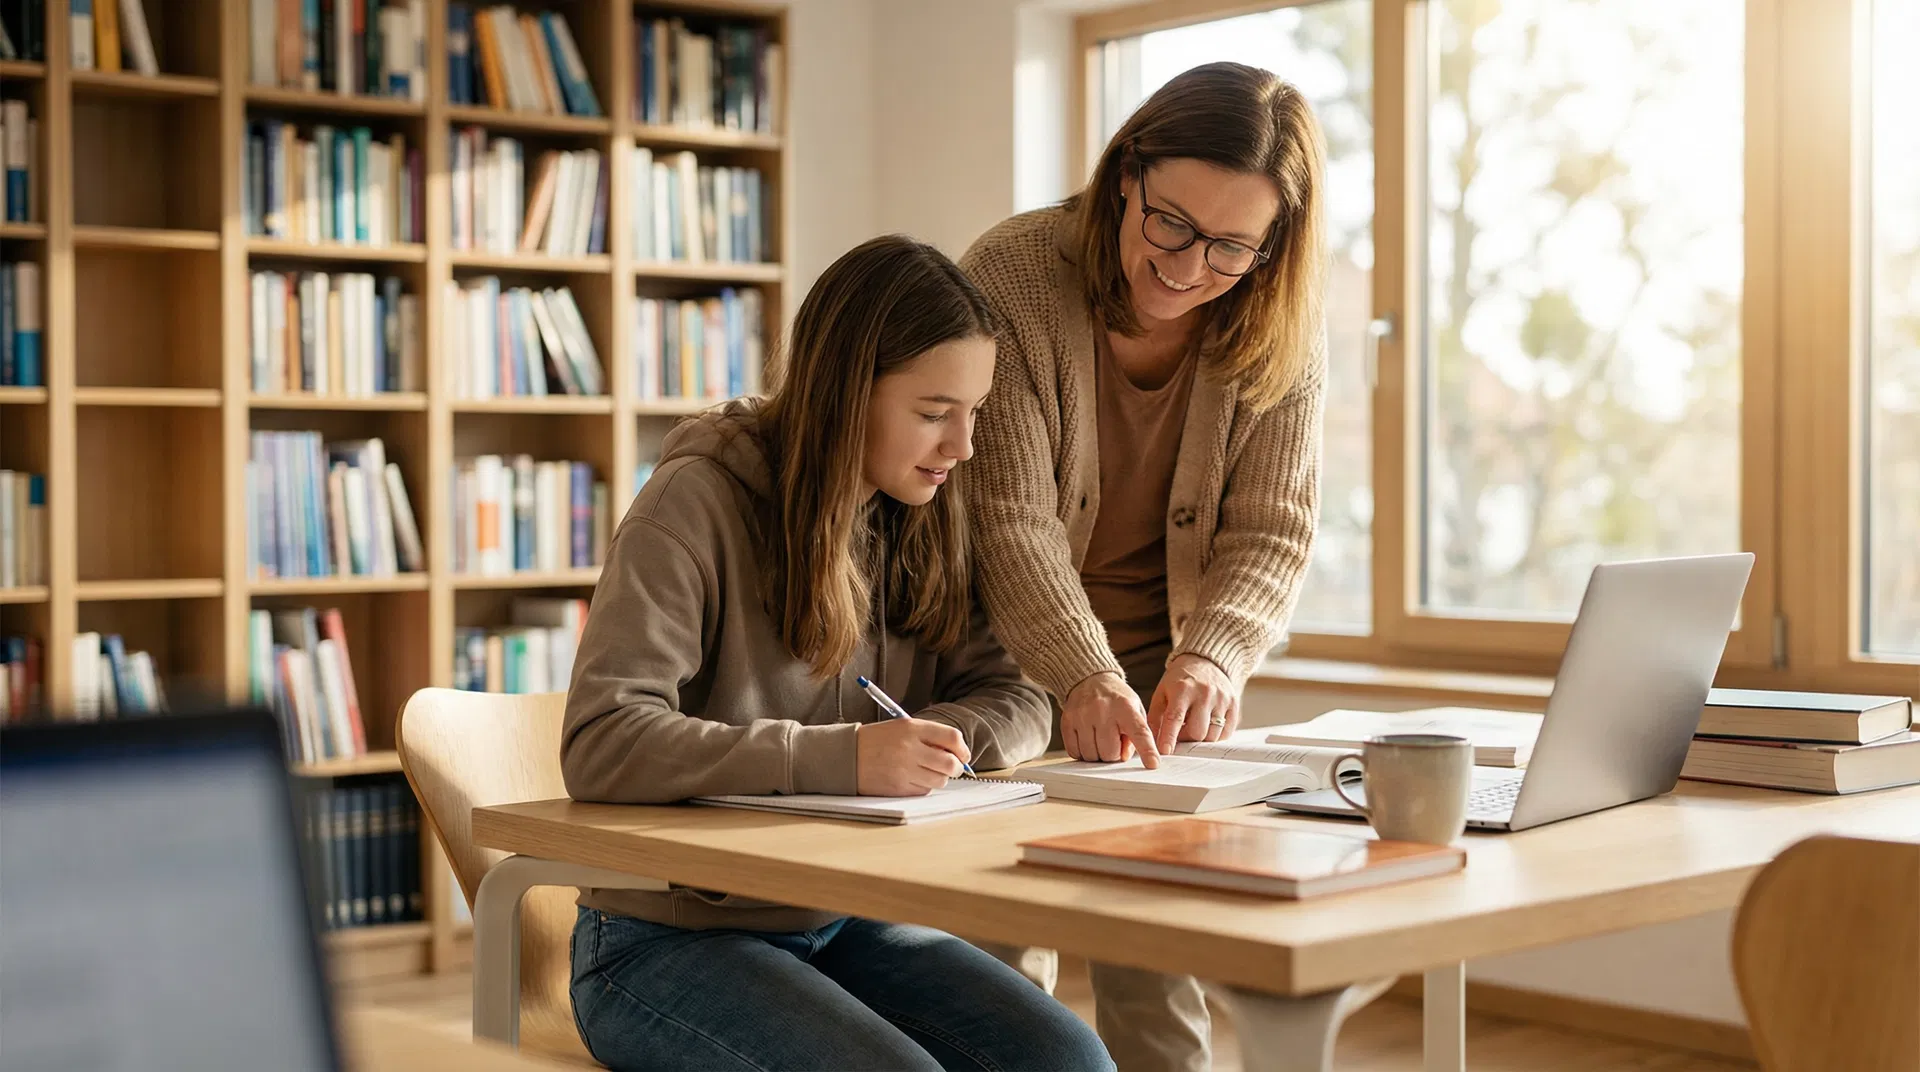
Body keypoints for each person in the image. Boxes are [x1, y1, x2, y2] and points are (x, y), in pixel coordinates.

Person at [558, 234, 1114, 1072]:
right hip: (660, 940)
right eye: (934, 412)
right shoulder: (695, 502)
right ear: (847, 391)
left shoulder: (923, 511)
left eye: (976, 411)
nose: (962, 445)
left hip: (838, 915)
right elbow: (601, 740)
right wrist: (842, 758)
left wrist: (942, 738)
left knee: (1071, 1060)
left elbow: (1017, 694)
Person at [958, 62, 1330, 1072]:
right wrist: (1081, 671)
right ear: (1127, 173)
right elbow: (1009, 515)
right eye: (1170, 222)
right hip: (1001, 656)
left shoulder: (1280, 322)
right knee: (998, 945)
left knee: (1159, 951)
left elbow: (1274, 526)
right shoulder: (1015, 274)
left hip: (1165, 671)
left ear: (1272, 245)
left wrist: (1212, 657)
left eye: (1230, 246)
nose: (1188, 264)